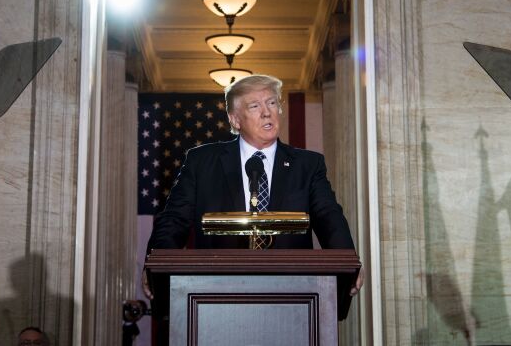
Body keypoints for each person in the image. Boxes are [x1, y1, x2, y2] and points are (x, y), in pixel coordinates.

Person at [143, 74, 362, 297]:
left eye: (272, 103)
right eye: (255, 106)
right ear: (235, 120)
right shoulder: (201, 162)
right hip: (215, 293)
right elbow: (173, 220)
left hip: (293, 294)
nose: (267, 112)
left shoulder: (308, 165)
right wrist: (155, 264)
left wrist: (347, 260)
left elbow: (329, 217)